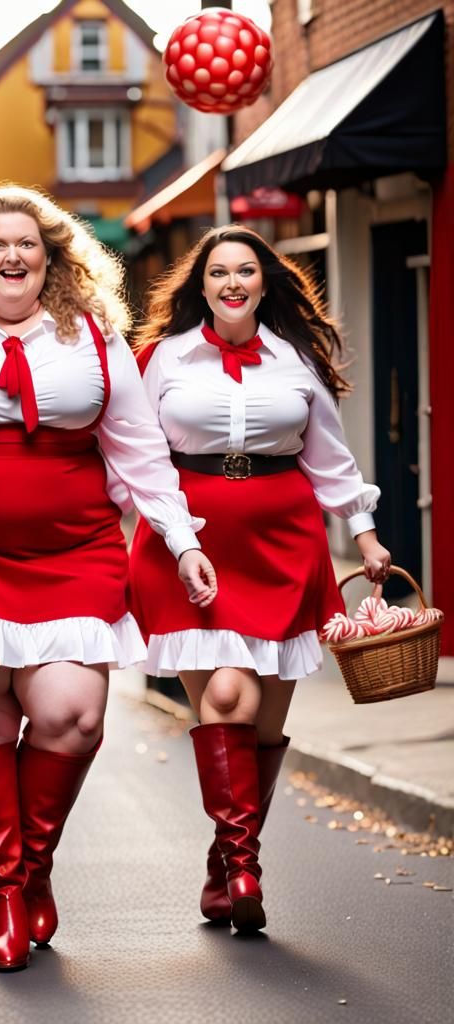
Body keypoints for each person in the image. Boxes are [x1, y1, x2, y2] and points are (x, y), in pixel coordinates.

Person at [0, 186, 216, 971]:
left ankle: (34, 864)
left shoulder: (92, 336)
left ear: (52, 260)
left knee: (73, 716)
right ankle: (5, 897)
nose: (13, 256)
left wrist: (180, 537)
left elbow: (136, 446)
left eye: (28, 245)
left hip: (73, 549)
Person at [130, 225, 390, 934]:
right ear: (202, 285)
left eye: (247, 270)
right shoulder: (161, 359)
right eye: (220, 272)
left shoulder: (294, 359)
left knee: (263, 724)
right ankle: (246, 866)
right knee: (225, 696)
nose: (234, 282)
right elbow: (143, 461)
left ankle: (227, 867)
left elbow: (329, 458)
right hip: (190, 546)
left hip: (282, 545)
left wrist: (364, 538)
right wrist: (172, 537)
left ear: (266, 282)